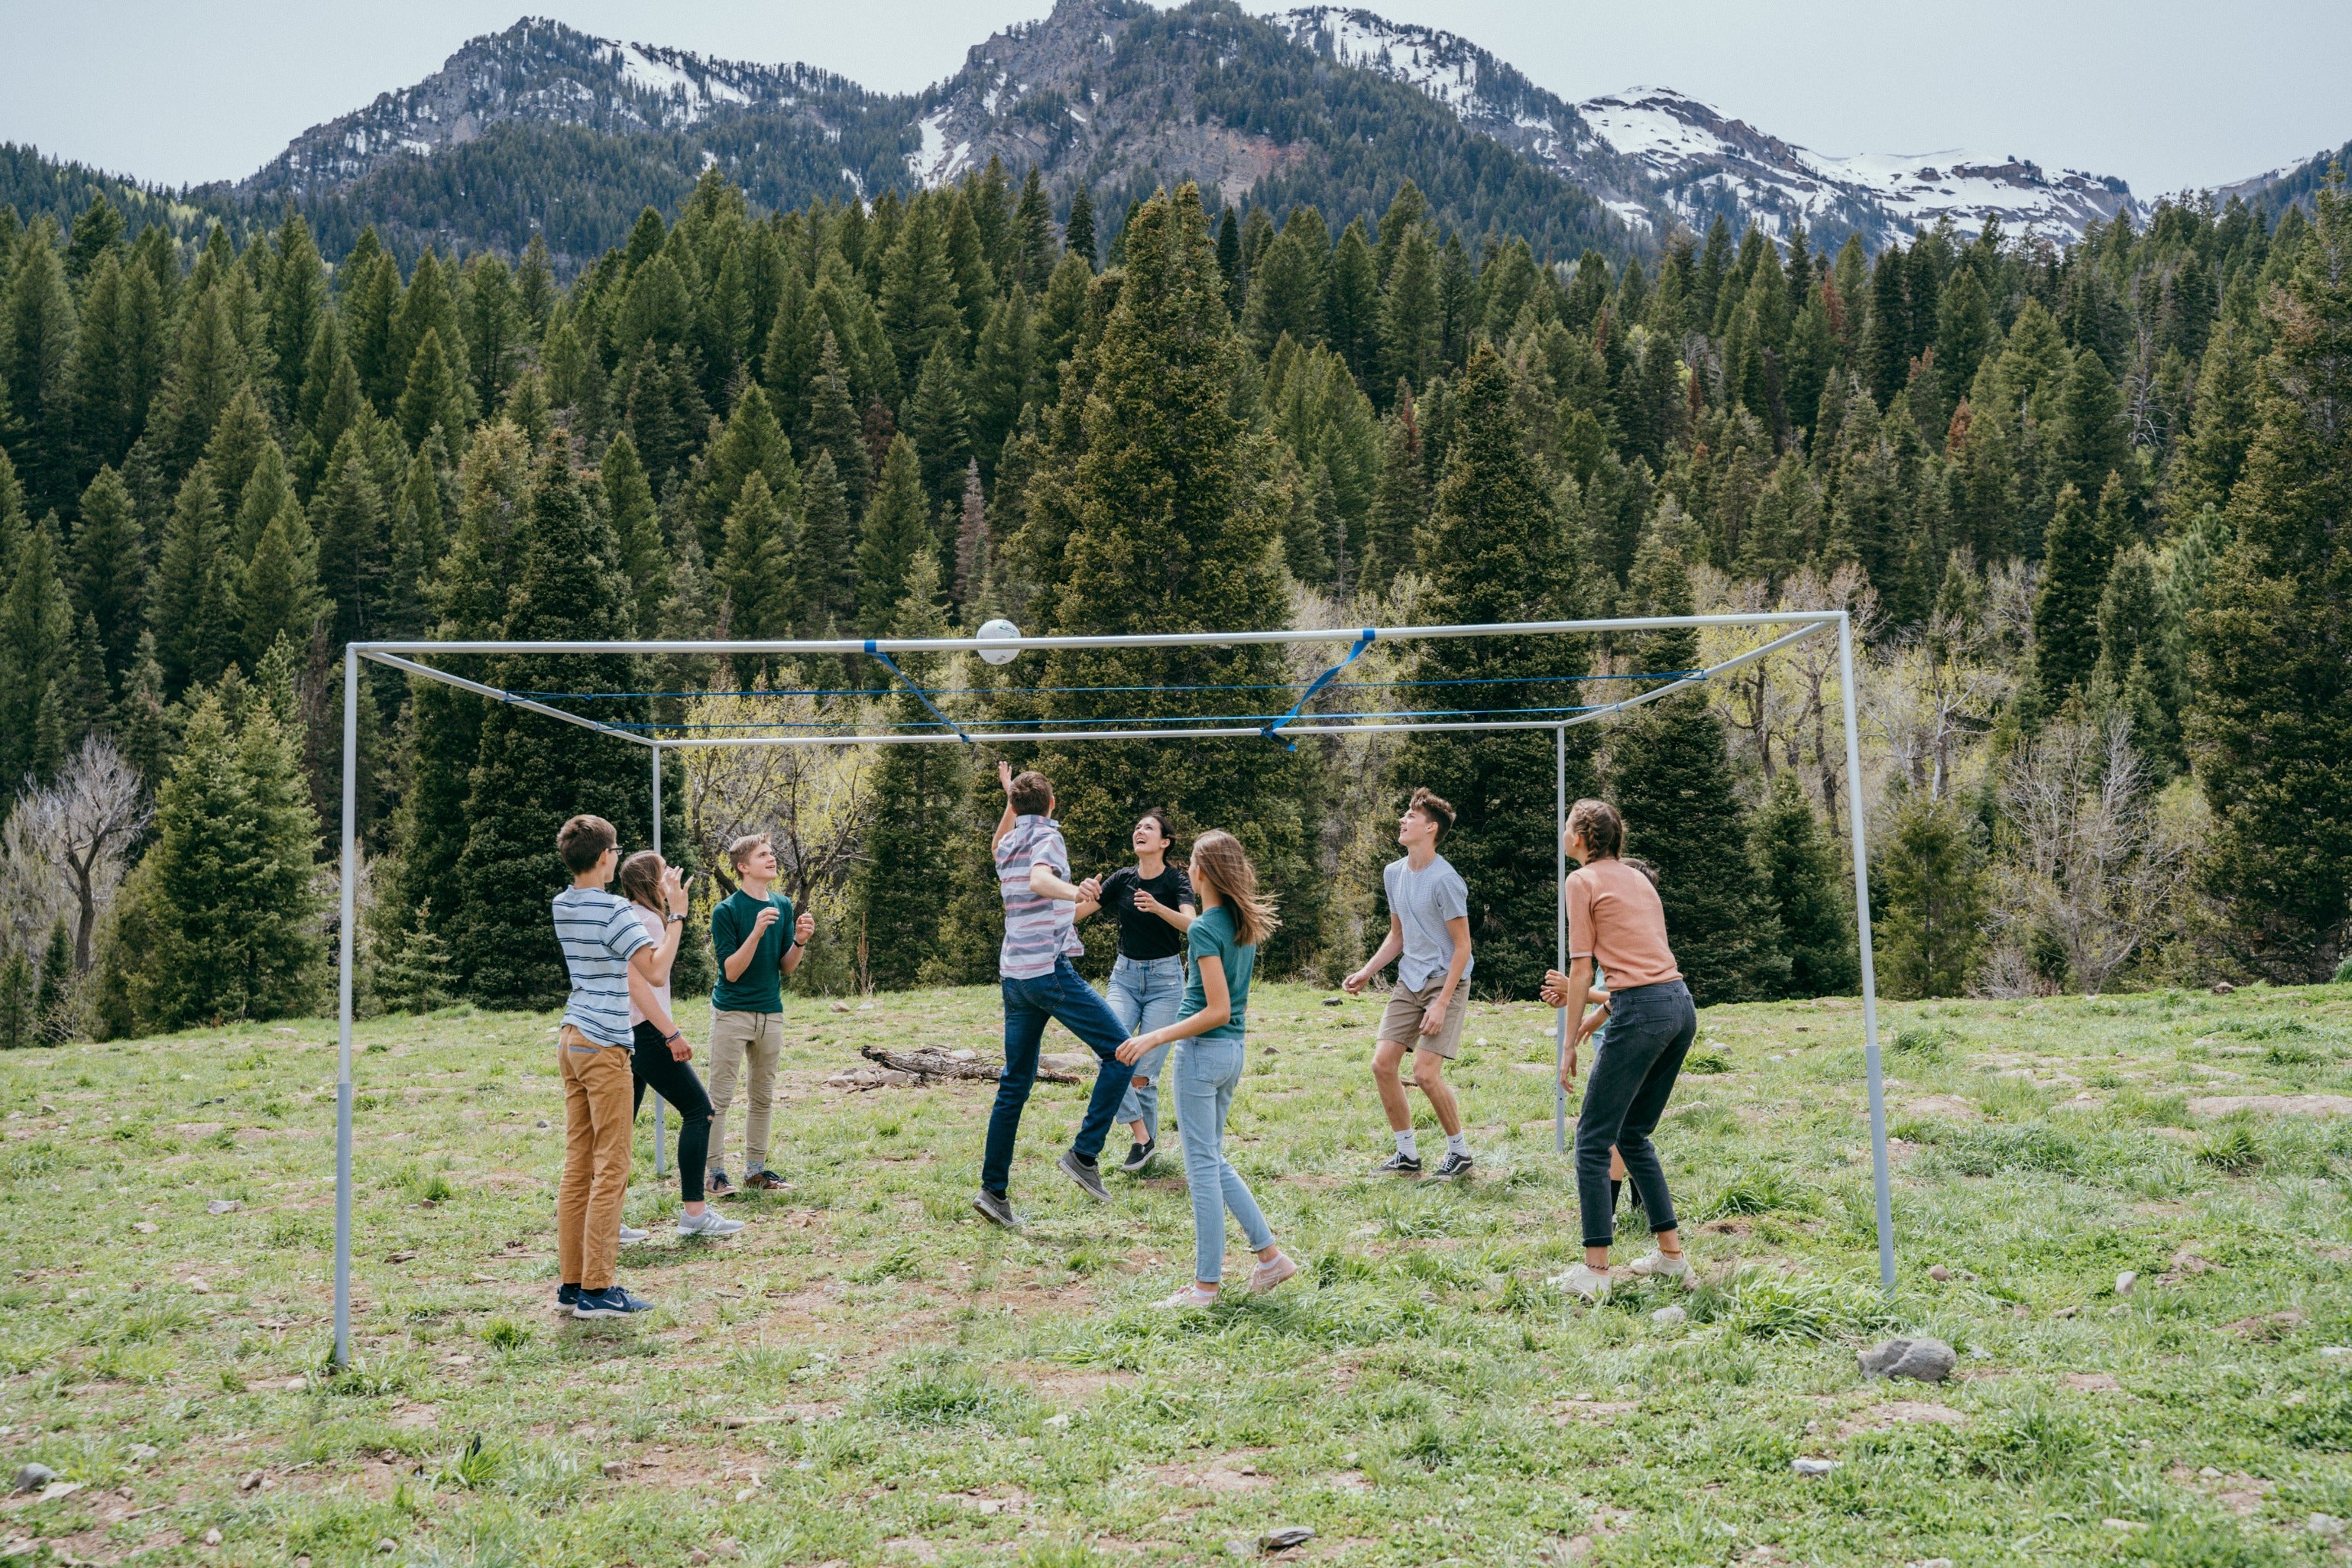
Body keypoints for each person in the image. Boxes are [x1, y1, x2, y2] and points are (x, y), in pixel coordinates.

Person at [1117, 830, 1297, 1307]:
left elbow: (1215, 1008)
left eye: (1190, 863)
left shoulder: (1203, 928)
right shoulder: (1241, 922)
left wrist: (1154, 1036)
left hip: (1202, 1054)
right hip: (1232, 1054)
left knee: (1201, 1169)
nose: (1187, 871)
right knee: (1213, 1159)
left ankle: (1205, 1289)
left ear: (1202, 872)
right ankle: (1270, 1259)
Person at [1540, 800, 1695, 1301]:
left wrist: (1567, 1044)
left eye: (1568, 826)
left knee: (1591, 1137)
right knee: (1633, 1134)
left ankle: (1595, 1273)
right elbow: (1646, 967)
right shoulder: (1637, 879)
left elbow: (1582, 969)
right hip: (1679, 1007)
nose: (1565, 834)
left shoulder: (1580, 881)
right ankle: (1672, 1259)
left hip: (1643, 1012)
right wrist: (1597, 1019)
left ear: (1582, 837)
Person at [974, 761, 1139, 1228]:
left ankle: (993, 1191)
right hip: (1048, 972)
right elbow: (1039, 881)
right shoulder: (1048, 836)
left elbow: (1001, 843)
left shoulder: (1006, 842)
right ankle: (1084, 1155)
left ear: (1014, 807)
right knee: (1122, 1052)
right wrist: (1071, 891)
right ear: (1051, 804)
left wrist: (1010, 792)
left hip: (1015, 978)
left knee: (1014, 1084)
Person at [550, 815, 677, 1318]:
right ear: (605, 858)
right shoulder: (616, 913)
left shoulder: (564, 904)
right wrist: (680, 917)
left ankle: (571, 1284)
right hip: (604, 1045)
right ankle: (599, 1291)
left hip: (571, 1037)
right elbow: (656, 970)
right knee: (613, 1165)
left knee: (579, 1163)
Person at [1341, 788, 1476, 1180]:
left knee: (1425, 1074)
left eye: (1411, 816)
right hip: (1410, 979)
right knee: (1383, 1065)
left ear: (1431, 828)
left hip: (1446, 980)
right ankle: (1407, 1155)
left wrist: (1441, 1003)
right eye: (1405, 814)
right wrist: (1368, 971)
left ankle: (1460, 1153)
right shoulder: (1394, 872)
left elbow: (1463, 947)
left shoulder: (1446, 880)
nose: (1403, 820)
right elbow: (1397, 935)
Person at [615, 851, 744, 1239]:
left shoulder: (629, 915)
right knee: (699, 1110)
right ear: (651, 882)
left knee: (620, 1128)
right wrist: (670, 1033)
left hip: (628, 1033)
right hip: (646, 1033)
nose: (672, 874)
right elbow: (651, 979)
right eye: (664, 870)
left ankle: (608, 1219)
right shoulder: (649, 920)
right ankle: (695, 1215)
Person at [1073, 808, 1195, 1172]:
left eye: (1149, 828)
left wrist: (1159, 908)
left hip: (1167, 982)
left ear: (1164, 842)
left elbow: (1192, 926)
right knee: (1109, 1051)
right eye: (1137, 826)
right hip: (1124, 978)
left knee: (1143, 1076)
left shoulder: (1176, 881)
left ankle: (1144, 1154)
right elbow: (1078, 913)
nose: (1139, 831)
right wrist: (1074, 892)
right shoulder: (1122, 879)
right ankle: (1144, 1138)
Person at [705, 834, 816, 1197]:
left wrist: (798, 941)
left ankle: (755, 1171)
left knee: (763, 1097)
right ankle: (715, 1174)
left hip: (771, 1013)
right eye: (763, 854)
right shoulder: (726, 911)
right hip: (732, 1013)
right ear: (743, 866)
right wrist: (754, 931)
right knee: (720, 1098)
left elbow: (785, 968)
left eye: (772, 853)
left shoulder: (783, 905)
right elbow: (731, 971)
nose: (772, 859)